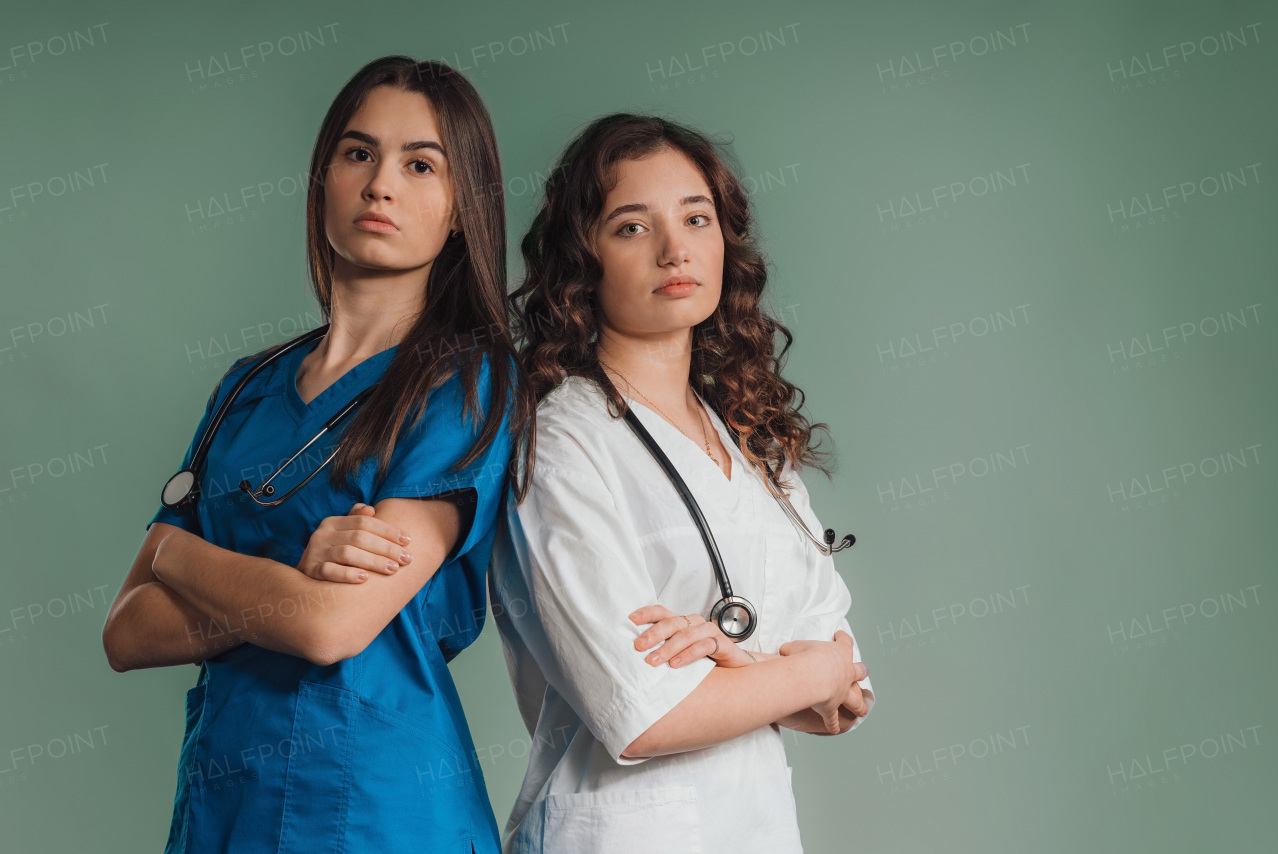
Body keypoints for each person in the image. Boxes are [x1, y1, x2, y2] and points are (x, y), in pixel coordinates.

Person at [101, 56, 527, 853]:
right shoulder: (246, 389)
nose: (381, 186)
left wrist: (172, 550)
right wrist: (290, 579)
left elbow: (333, 626)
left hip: (377, 809)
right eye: (358, 153)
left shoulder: (467, 383)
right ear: (323, 175)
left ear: (463, 207)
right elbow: (127, 633)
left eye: (420, 164)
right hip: (225, 804)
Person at [489, 113, 876, 853]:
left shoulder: (752, 437)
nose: (675, 249)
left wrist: (742, 663)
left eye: (696, 218)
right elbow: (642, 714)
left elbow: (845, 700)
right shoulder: (562, 439)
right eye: (632, 227)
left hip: (756, 827)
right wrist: (804, 668)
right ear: (582, 258)